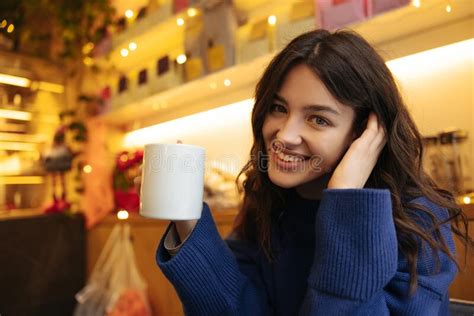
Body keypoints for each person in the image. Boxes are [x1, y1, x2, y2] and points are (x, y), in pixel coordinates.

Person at [155, 29, 471, 315]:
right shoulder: (269, 203)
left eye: (318, 119)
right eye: (278, 108)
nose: (284, 136)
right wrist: (188, 218)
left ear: (364, 134)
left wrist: (347, 198)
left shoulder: (417, 219)